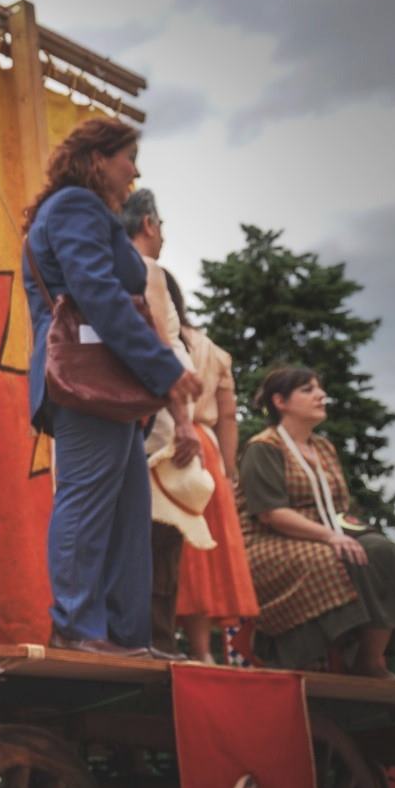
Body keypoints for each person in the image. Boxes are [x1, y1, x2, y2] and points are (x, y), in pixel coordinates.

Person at [22, 120, 202, 658]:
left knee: (127, 515)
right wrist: (164, 369)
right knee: (87, 503)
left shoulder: (81, 210)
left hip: (106, 385)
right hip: (86, 383)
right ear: (98, 160)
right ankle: (78, 629)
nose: (136, 170)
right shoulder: (76, 205)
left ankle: (128, 638)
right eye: (128, 157)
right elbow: (98, 293)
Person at [238, 366, 395, 678]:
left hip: (325, 531)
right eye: (308, 390)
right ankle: (304, 660)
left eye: (320, 388)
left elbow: (339, 507)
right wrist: (331, 537)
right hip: (269, 539)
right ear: (280, 401)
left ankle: (370, 660)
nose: (321, 395)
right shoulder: (263, 447)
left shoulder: (323, 447)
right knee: (330, 559)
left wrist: (350, 534)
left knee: (380, 550)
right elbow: (271, 513)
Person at [120, 188, 200, 660]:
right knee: (158, 538)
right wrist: (185, 420)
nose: (163, 234)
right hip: (158, 424)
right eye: (162, 225)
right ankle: (155, 641)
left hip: (135, 419)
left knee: (146, 536)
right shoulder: (145, 270)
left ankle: (144, 638)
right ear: (148, 223)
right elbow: (164, 349)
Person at [163, 273, 259, 662]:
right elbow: (229, 417)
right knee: (205, 553)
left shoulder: (157, 333)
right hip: (208, 448)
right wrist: (228, 469)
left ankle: (161, 640)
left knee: (170, 548)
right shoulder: (214, 351)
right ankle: (204, 652)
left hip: (166, 440)